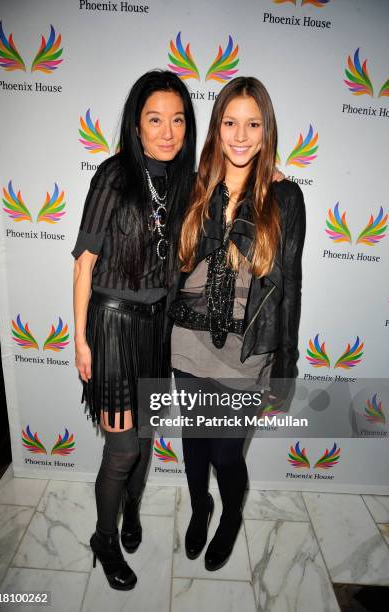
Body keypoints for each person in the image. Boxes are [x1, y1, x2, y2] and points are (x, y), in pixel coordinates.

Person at [169, 76, 306, 571]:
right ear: (216, 127)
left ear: (266, 131)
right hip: (186, 338)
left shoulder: (284, 197)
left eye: (253, 124)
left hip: (245, 351)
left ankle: (229, 515)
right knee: (194, 444)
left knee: (227, 453)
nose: (241, 135)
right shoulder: (192, 187)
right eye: (231, 122)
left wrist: (284, 367)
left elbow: (287, 286)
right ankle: (200, 507)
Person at [72, 70, 196, 590]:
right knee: (122, 448)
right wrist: (79, 339)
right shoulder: (113, 176)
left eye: (177, 120)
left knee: (144, 439)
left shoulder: (185, 181)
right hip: (113, 324)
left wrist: (274, 174)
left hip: (156, 330)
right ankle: (104, 536)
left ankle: (131, 511)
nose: (167, 131)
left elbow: (237, 181)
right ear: (136, 124)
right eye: (154, 119)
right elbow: (84, 262)